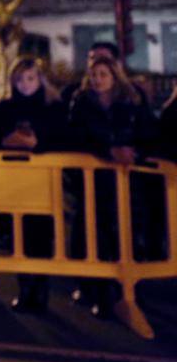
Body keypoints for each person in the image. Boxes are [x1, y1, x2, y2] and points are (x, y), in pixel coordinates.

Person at [66, 55, 158, 318]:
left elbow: (148, 133)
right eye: (94, 75)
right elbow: (76, 136)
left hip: (129, 180)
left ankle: (130, 292)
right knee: (97, 237)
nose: (97, 80)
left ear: (114, 76)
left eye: (103, 74)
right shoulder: (82, 102)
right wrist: (107, 150)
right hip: (94, 181)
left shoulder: (131, 101)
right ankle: (100, 294)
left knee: (127, 237)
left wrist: (135, 153)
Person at [0, 56, 66, 313]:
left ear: (40, 80)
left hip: (43, 180)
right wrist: (7, 141)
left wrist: (39, 144)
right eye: (20, 79)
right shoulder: (6, 107)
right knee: (18, 237)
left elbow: (63, 138)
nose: (25, 84)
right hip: (14, 180)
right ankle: (25, 288)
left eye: (30, 79)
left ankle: (41, 288)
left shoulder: (53, 106)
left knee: (41, 236)